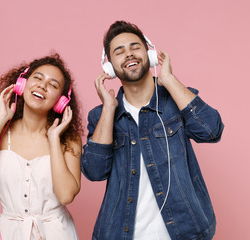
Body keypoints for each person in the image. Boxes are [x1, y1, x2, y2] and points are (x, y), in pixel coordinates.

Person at [81, 21, 224, 240]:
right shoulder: (100, 117)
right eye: (119, 51)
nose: (129, 54)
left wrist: (168, 80)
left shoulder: (177, 98)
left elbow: (212, 130)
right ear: (109, 67)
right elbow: (94, 171)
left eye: (135, 47)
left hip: (183, 233)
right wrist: (109, 109)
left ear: (150, 54)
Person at [0, 53, 82, 240]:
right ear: (22, 84)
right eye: (37, 78)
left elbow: (66, 195)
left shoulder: (68, 139)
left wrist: (53, 139)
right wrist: (0, 119)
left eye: (53, 85)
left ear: (61, 102)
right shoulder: (2, 132)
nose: (42, 86)